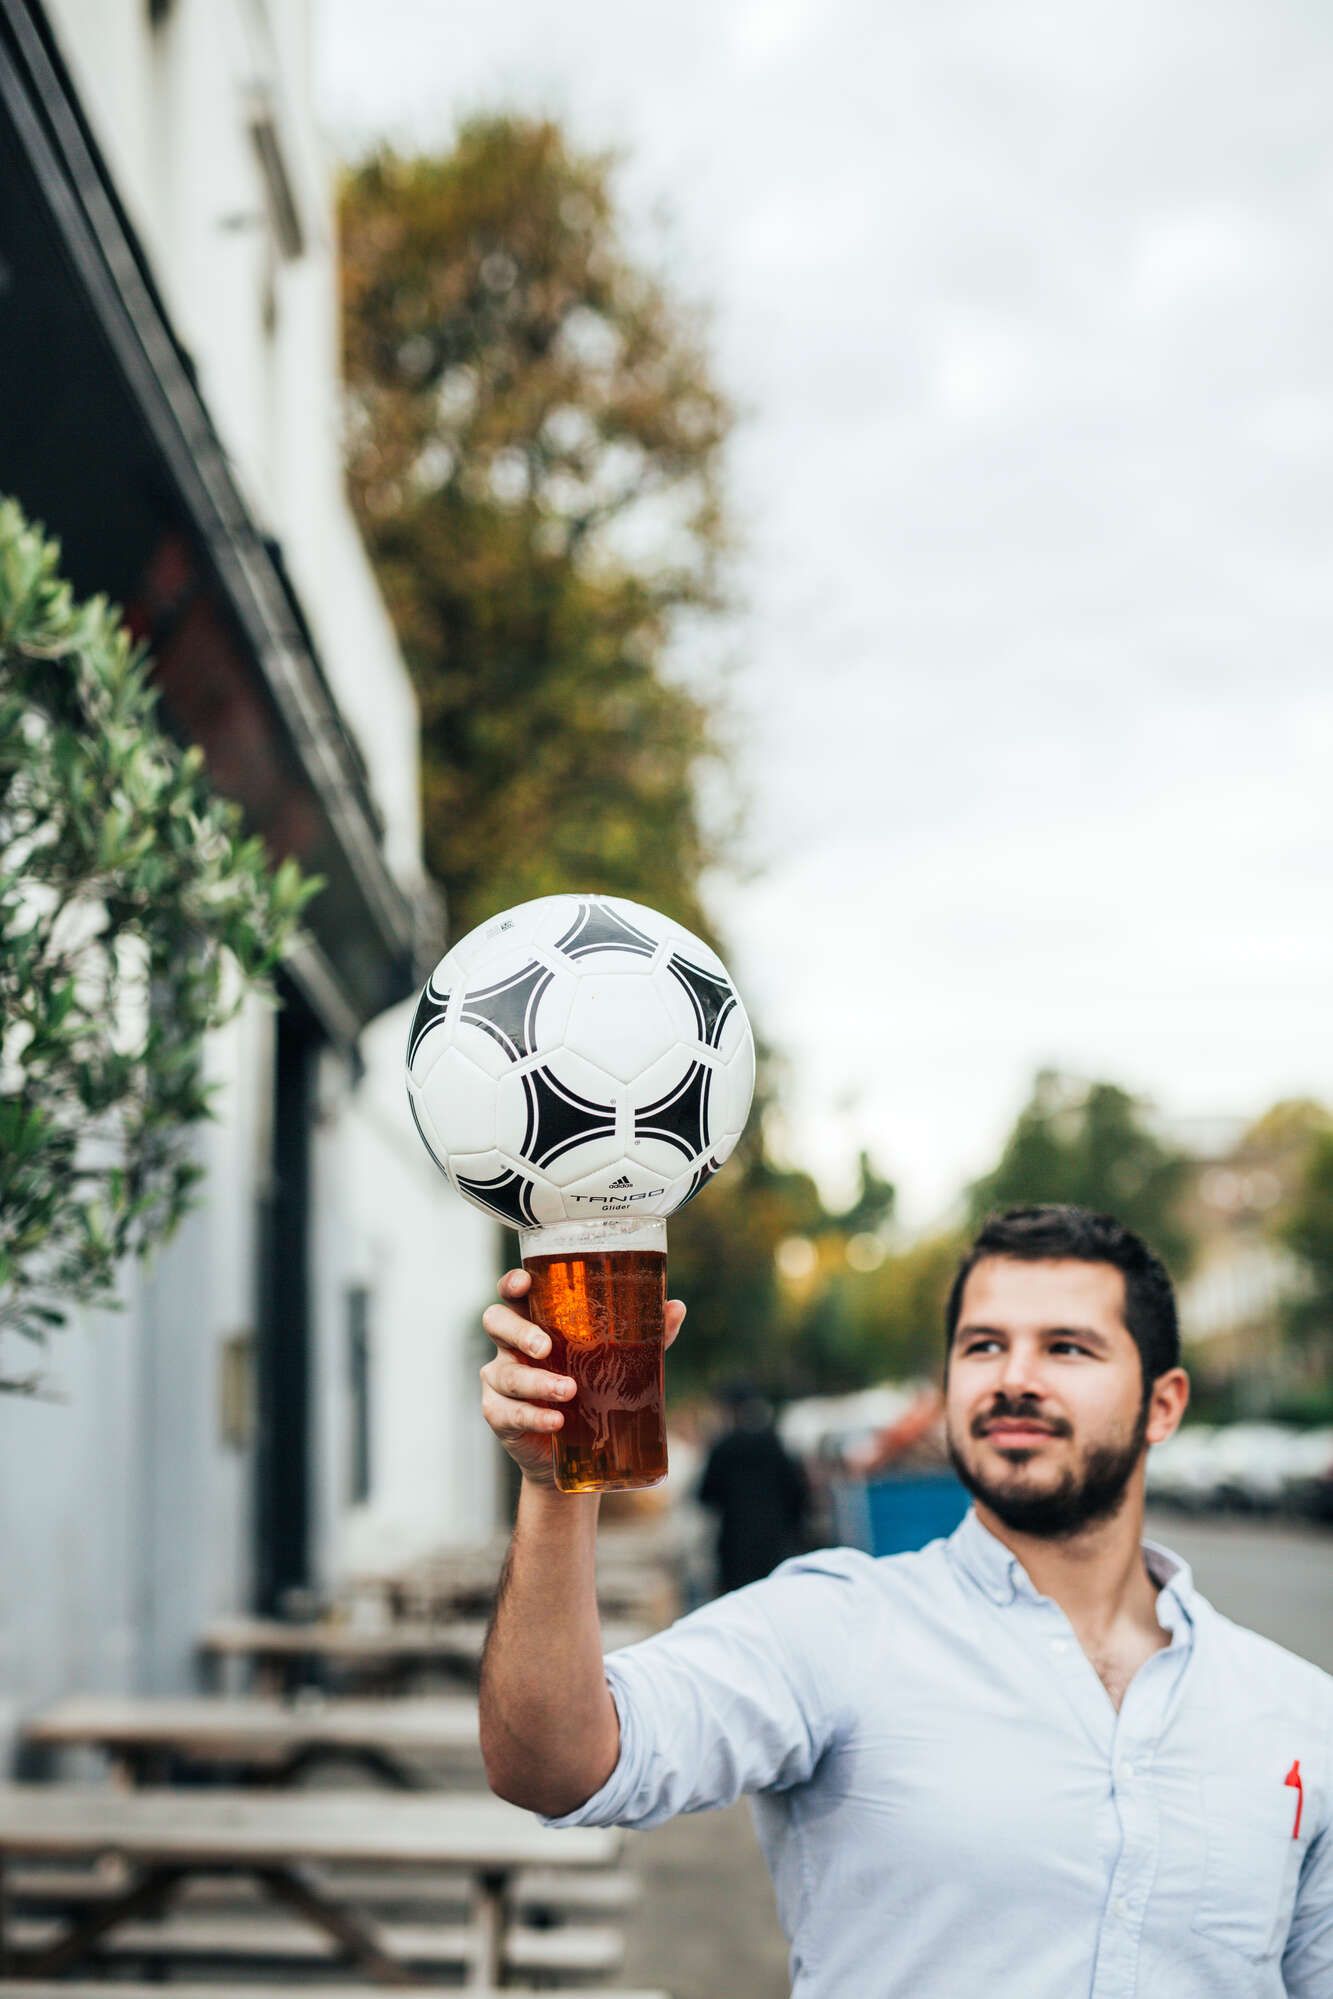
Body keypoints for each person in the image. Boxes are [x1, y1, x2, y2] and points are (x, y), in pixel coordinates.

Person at [477, 1204, 1332, 1997]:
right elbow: (554, 1766)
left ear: (1162, 1404)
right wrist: (558, 1489)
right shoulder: (836, 1626)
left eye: (1067, 1347)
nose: (1014, 1377)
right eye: (983, 1345)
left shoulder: (1297, 1713)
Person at [697, 1381, 811, 1595]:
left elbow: (705, 1495)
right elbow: (798, 1493)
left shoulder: (724, 1447)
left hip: (735, 1546)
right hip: (776, 1544)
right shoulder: (775, 1442)